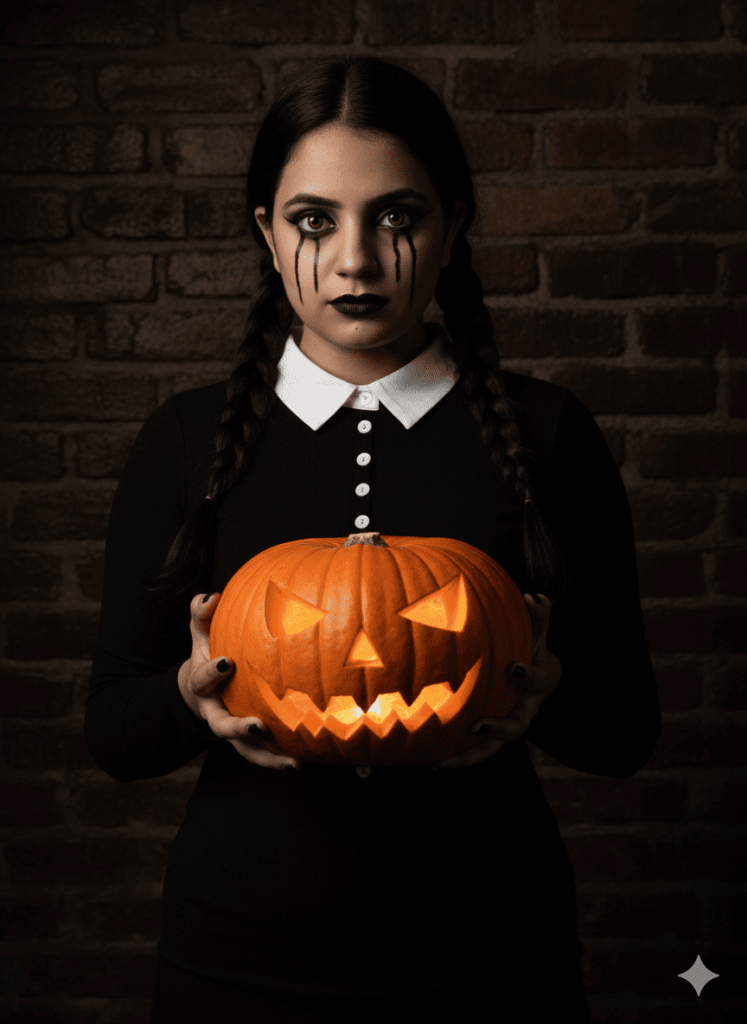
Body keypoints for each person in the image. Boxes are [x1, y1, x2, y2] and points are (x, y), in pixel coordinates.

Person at [84, 54, 661, 1024]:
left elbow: (628, 731)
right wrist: (190, 699)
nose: (356, 259)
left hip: (491, 959)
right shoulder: (187, 439)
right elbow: (112, 729)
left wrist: (547, 692)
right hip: (236, 959)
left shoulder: (548, 433)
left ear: (454, 226)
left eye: (398, 216)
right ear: (269, 233)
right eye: (316, 221)